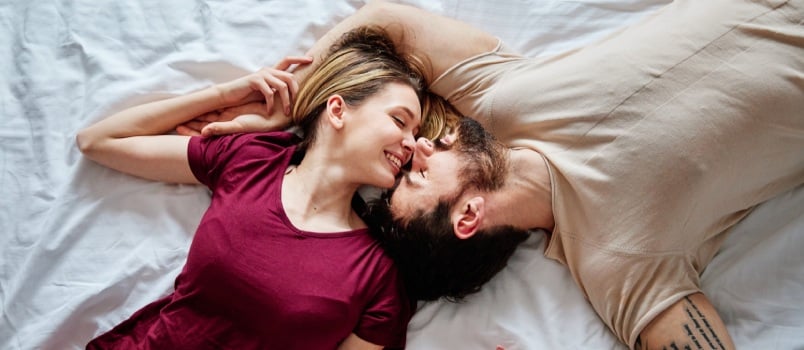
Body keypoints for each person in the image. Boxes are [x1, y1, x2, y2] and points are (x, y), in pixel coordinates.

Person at [184, 0, 804, 349]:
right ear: (468, 216)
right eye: (417, 177)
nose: (417, 148)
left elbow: (385, 23)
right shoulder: (621, 260)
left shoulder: (504, 100)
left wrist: (298, 106)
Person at [76, 26, 440, 349]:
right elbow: (98, 141)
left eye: (415, 134)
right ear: (338, 110)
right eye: (399, 120)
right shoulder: (252, 161)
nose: (410, 144)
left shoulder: (379, 277)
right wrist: (225, 95)